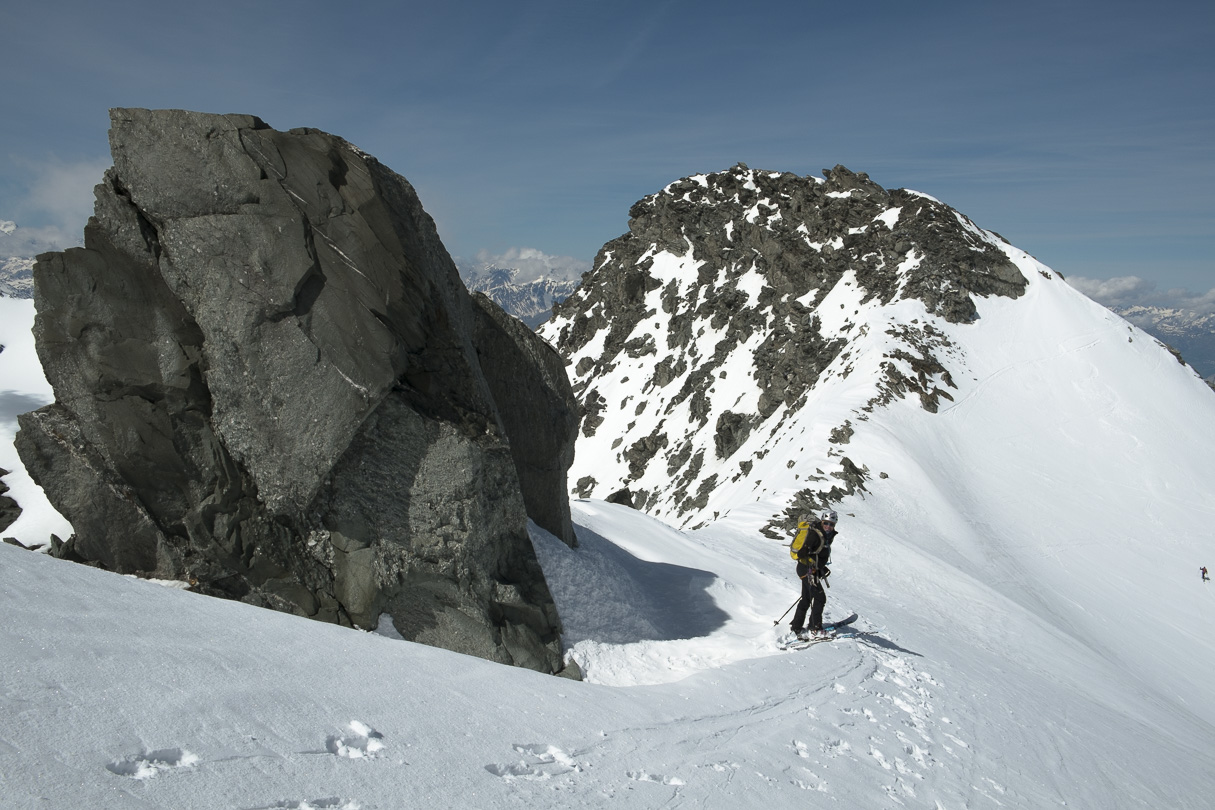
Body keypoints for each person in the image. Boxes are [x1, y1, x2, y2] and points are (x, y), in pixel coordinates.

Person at [789, 510, 838, 639]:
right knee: (820, 598)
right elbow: (804, 551)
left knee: (806, 598)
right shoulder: (814, 534)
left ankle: (796, 626)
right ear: (821, 522)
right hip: (806, 570)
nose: (828, 526)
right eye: (826, 523)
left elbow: (818, 554)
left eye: (831, 524)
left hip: (811, 570)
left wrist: (821, 567)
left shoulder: (826, 535)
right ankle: (815, 628)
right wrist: (804, 550)